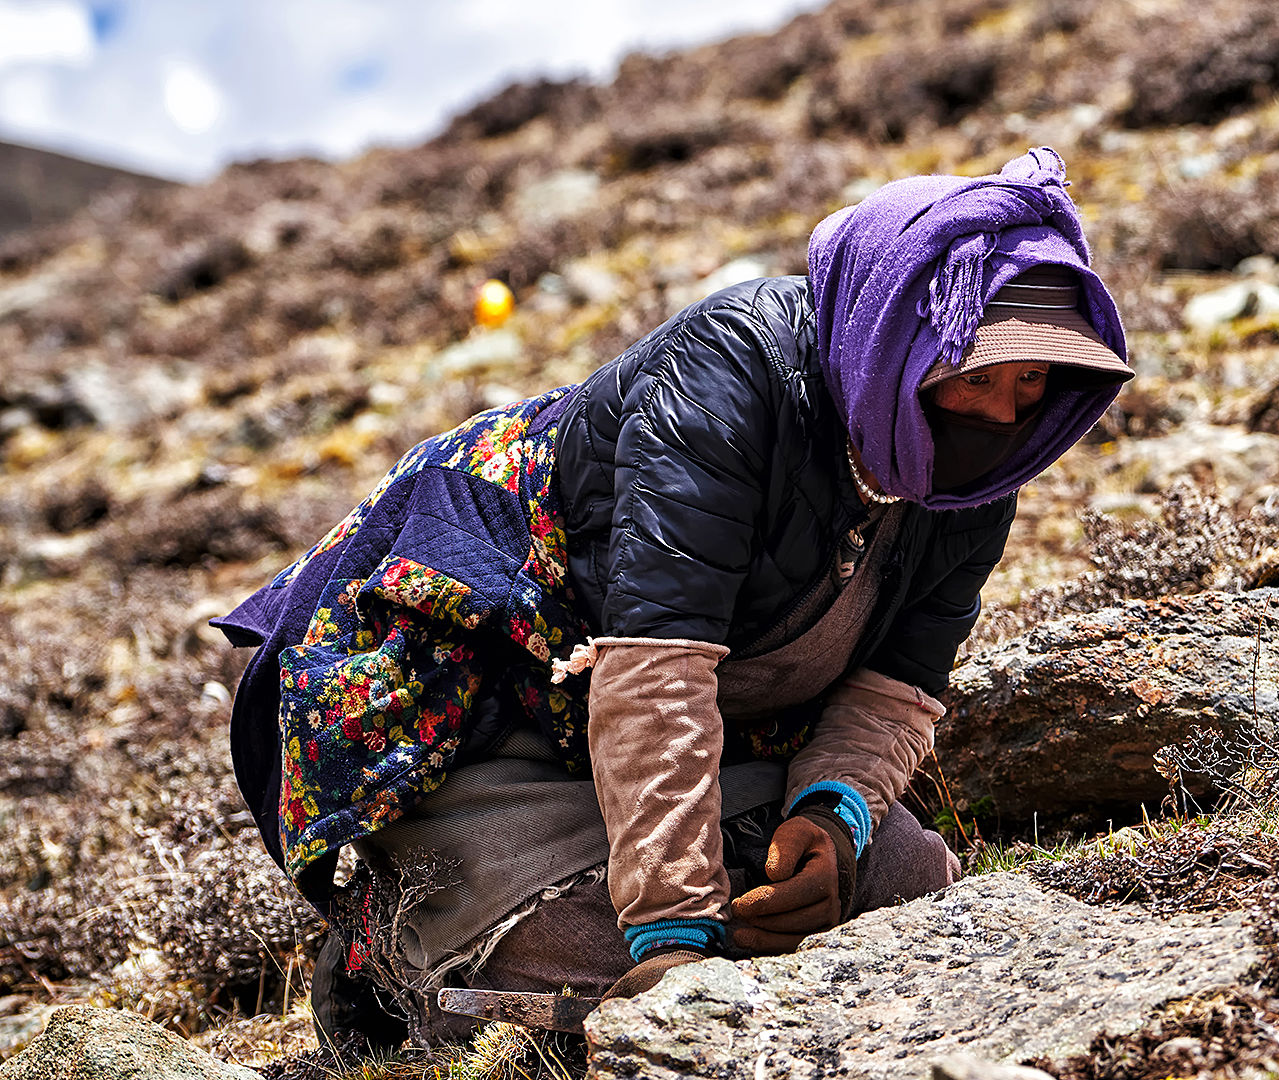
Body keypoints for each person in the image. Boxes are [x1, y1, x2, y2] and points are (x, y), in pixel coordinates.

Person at [212, 147, 1131, 1047]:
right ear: (899, 338)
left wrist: (832, 818)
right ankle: (384, 950)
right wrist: (677, 940)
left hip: (710, 721)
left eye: (1032, 383)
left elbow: (899, 684)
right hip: (502, 710)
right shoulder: (730, 378)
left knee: (905, 875)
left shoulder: (976, 478)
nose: (1005, 417)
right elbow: (658, 668)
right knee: (578, 952)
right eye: (978, 375)